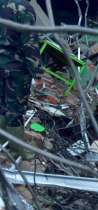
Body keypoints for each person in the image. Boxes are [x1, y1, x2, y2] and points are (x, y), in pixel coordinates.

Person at [0, 0, 40, 158]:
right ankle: (17, 149)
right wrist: (37, 72)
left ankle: (4, 140)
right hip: (16, 69)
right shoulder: (24, 8)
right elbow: (30, 43)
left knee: (1, 104)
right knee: (15, 109)